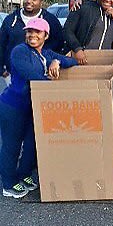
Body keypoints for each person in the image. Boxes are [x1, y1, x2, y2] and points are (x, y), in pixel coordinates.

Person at [0, 18, 77, 198]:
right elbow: (33, 76)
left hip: (32, 106)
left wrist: (57, 62)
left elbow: (71, 61)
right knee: (12, 145)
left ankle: (24, 174)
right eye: (29, 32)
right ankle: (9, 183)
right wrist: (51, 84)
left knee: (31, 143)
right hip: (14, 106)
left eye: (37, 32)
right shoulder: (20, 51)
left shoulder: (47, 54)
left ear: (46, 35)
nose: (32, 35)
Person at [0, 0, 64, 78]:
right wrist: (1, 69)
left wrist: (55, 61)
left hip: (42, 73)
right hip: (13, 73)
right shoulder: (10, 20)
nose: (29, 1)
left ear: (41, 2)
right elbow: (1, 44)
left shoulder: (51, 21)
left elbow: (60, 45)